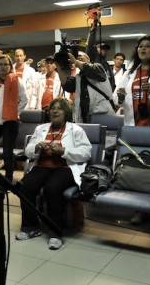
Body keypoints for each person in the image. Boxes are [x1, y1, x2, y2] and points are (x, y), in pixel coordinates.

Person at [16, 97, 91, 250]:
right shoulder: (41, 129)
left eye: (59, 108)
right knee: (25, 186)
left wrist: (65, 150)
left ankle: (55, 233)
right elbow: (28, 151)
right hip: (43, 166)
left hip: (65, 168)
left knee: (53, 188)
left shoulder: (76, 130)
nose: (55, 111)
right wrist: (36, 147)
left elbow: (86, 153)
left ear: (66, 113)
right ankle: (31, 227)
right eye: (52, 108)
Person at [0, 54, 27, 180]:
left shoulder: (16, 80)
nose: (3, 67)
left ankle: (8, 179)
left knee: (8, 152)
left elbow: (24, 100)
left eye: (6, 64)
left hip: (11, 121)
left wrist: (14, 112)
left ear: (10, 66)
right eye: (0, 64)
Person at [57, 52, 114, 123]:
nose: (78, 58)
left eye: (80, 56)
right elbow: (67, 85)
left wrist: (75, 61)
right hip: (86, 117)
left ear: (88, 59)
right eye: (77, 57)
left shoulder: (98, 68)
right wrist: (59, 68)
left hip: (103, 115)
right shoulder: (79, 77)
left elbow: (89, 69)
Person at [85, 25, 115, 92]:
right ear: (96, 49)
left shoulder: (106, 64)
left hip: (108, 94)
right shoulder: (93, 59)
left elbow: (111, 80)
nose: (104, 50)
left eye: (106, 49)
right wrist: (92, 32)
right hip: (97, 93)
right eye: (102, 48)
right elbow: (90, 46)